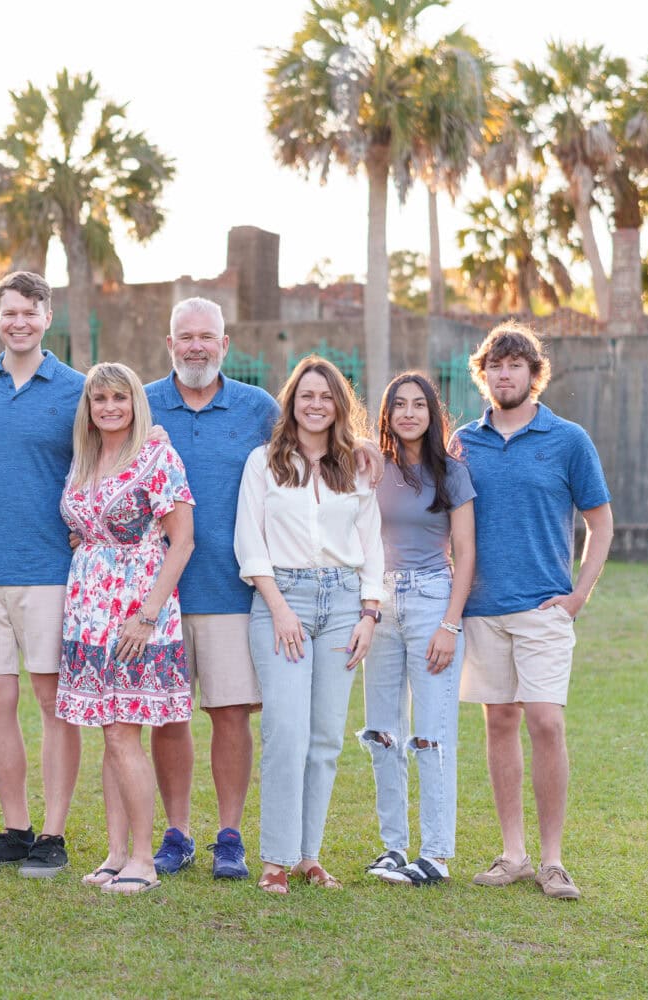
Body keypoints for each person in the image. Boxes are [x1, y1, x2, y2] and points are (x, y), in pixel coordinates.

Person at [454, 322, 612, 901]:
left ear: (534, 374)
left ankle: (552, 861)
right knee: (500, 722)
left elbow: (600, 522)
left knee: (546, 721)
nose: (505, 373)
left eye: (516, 365)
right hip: (482, 609)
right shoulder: (464, 442)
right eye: (495, 365)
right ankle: (513, 854)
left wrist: (579, 594)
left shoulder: (568, 439)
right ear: (484, 374)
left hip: (545, 609)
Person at [0, 271, 85, 878]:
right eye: (9, 312)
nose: (19, 321)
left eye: (30, 311)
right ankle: (15, 829)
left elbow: (112, 453)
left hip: (52, 569)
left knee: (54, 701)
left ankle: (53, 835)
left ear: (47, 316)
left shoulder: (79, 390)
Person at [234, 355, 383, 894]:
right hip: (283, 602)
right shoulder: (264, 463)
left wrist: (370, 614)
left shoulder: (357, 467)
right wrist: (278, 608)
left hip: (344, 604)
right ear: (291, 403)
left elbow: (372, 545)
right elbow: (249, 542)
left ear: (339, 406)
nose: (315, 405)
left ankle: (307, 856)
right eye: (306, 396)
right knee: (287, 732)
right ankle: (275, 857)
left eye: (325, 396)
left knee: (325, 739)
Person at [142, 297, 278, 881]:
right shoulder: (140, 404)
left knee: (229, 716)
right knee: (167, 718)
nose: (196, 346)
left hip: (232, 589)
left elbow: (310, 460)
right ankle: (177, 833)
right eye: (185, 336)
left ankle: (229, 835)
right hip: (153, 596)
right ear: (169, 344)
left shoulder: (258, 408)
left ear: (226, 345)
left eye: (208, 337)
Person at [58, 363, 195, 895]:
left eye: (120, 397)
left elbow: (181, 541)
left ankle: (144, 857)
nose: (110, 407)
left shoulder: (157, 455)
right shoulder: (86, 458)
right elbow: (85, 524)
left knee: (123, 733)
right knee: (108, 737)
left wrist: (147, 613)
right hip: (88, 607)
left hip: (137, 607)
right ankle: (116, 853)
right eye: (100, 399)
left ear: (137, 401)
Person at [360, 372, 475, 887]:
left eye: (418, 405)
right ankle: (392, 847)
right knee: (384, 733)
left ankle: (436, 855)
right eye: (399, 405)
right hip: (380, 604)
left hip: (433, 601)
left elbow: (467, 554)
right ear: (387, 414)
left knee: (431, 734)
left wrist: (450, 624)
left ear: (432, 414)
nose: (409, 413)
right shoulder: (371, 470)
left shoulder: (451, 472)